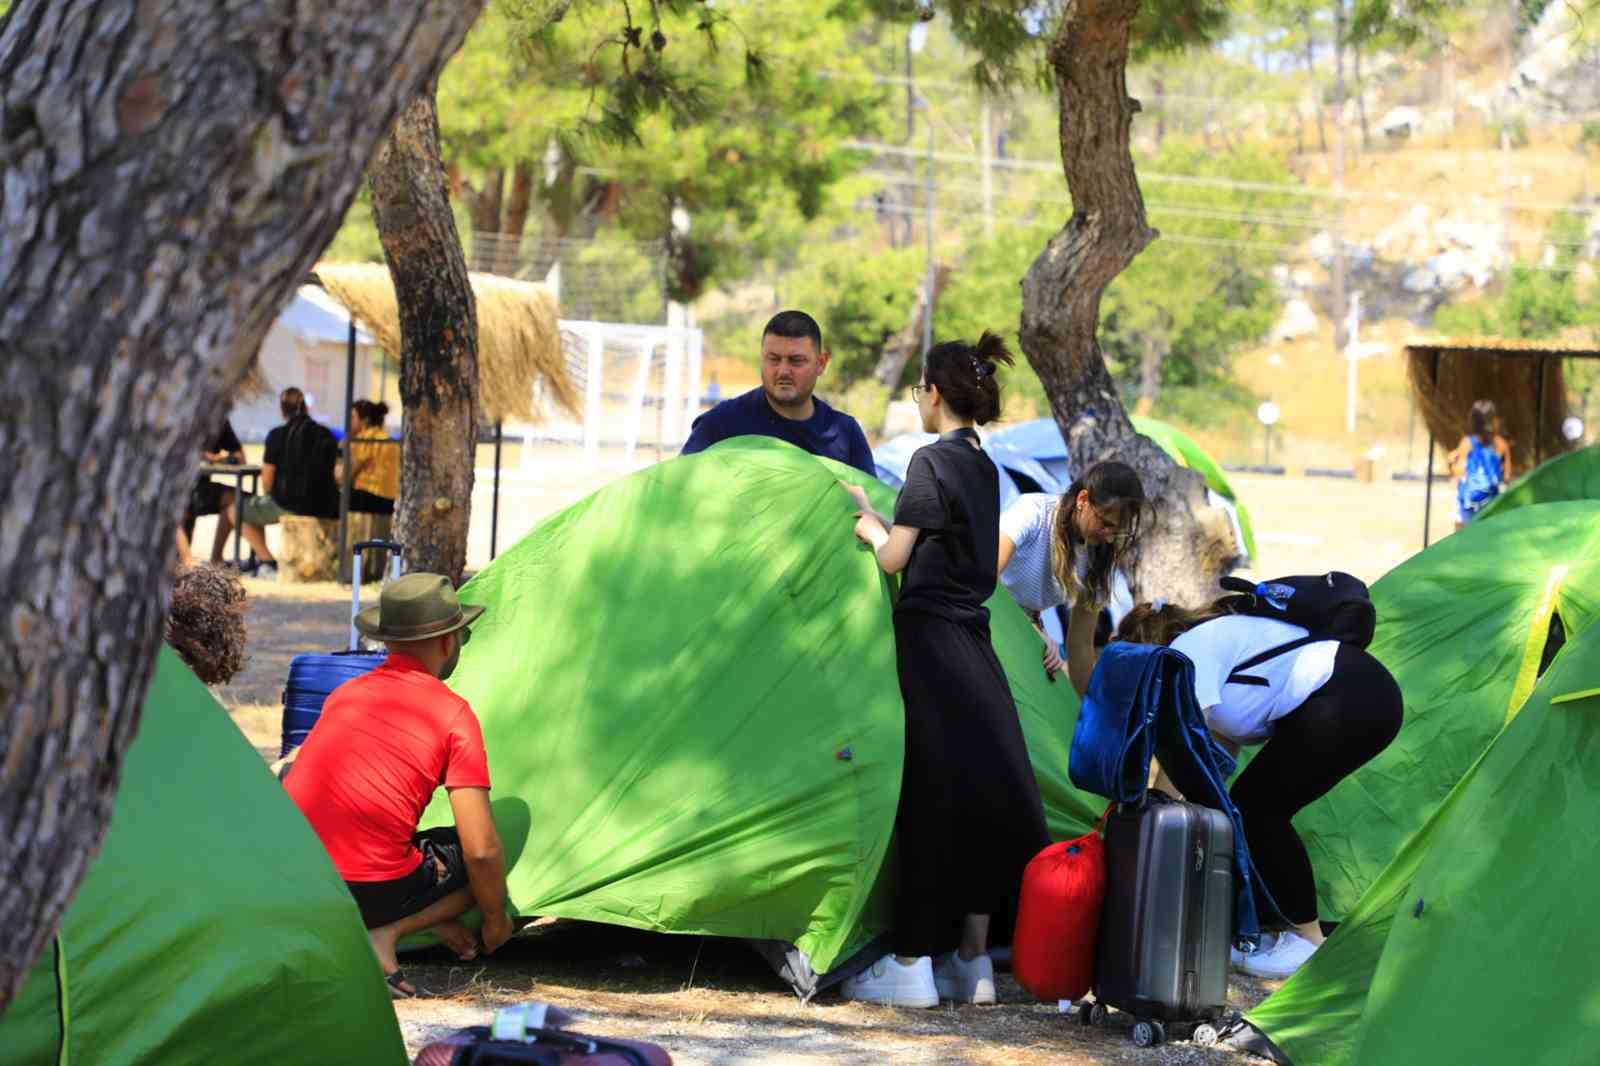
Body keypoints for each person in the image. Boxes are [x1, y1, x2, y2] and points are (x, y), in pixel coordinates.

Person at [837, 332, 1050, 1008]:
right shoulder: (985, 467)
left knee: (932, 799)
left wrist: (871, 525)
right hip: (976, 642)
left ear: (932, 393)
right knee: (984, 796)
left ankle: (910, 963)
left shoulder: (930, 461)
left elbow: (895, 559)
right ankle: (972, 962)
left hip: (930, 642)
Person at [1113, 598, 1403, 979]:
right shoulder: (1219, 659)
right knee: (1250, 807)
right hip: (1363, 695)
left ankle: (1307, 942)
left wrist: (1139, 806)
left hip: (1349, 695)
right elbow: (1205, 759)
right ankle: (1283, 930)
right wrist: (1160, 806)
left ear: (1149, 651)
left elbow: (1181, 739)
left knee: (1259, 810)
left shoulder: (1187, 652)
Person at [284, 573, 512, 999]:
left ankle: (383, 926)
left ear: (387, 641)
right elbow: (481, 850)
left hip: (300, 881)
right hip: (370, 893)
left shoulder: (345, 694)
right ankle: (386, 933)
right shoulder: (453, 715)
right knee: (470, 857)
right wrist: (496, 918)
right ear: (448, 642)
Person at [995, 462, 1149, 693]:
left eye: (1117, 532)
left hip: (1026, 630)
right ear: (1082, 500)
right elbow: (984, 575)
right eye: (1106, 524)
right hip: (985, 612)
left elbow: (1080, 644)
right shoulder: (1032, 512)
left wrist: (1086, 710)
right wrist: (1032, 631)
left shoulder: (1097, 556)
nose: (1109, 538)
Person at [681, 310, 875, 475]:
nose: (783, 371)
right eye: (773, 359)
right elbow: (675, 488)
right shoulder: (721, 424)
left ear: (821, 364)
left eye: (796, 360)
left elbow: (872, 507)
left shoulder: (846, 434)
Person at [239, 387, 340, 578]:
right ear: (306, 408)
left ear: (282, 409)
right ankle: (262, 561)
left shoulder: (277, 435)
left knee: (236, 509)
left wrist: (270, 495)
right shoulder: (326, 434)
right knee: (254, 507)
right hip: (326, 504)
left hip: (289, 503)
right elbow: (337, 472)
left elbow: (267, 478)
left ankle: (267, 562)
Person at [183, 416, 246, 565]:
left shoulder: (218, 419)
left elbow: (241, 458)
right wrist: (213, 457)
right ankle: (186, 560)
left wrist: (217, 459)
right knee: (177, 504)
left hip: (201, 487)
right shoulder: (181, 414)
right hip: (177, 489)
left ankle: (216, 558)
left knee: (237, 498)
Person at [1447, 398, 1511, 528]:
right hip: (1491, 506)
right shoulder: (1502, 445)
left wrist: (1450, 463)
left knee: (1461, 543)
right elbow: (1507, 476)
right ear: (1495, 421)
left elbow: (1459, 473)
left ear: (1473, 422)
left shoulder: (1468, 443)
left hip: (1468, 507)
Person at [337, 400, 399, 515]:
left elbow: (345, 476)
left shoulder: (364, 438)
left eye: (352, 417)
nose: (348, 421)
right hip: (390, 501)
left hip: (369, 498)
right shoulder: (385, 437)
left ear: (365, 421)